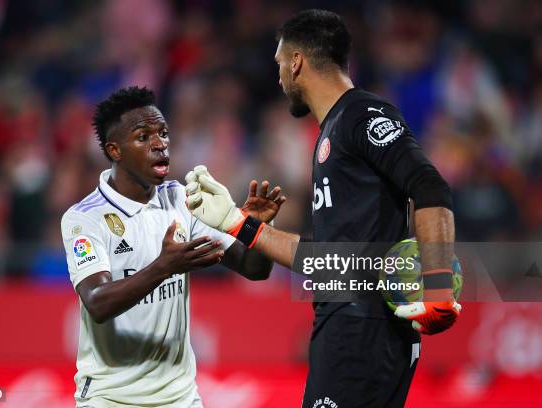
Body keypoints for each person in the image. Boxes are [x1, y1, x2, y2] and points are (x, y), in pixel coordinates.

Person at [184, 9, 461, 408]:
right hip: (348, 327)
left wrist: (437, 287)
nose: (279, 78)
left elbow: (430, 186)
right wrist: (237, 223)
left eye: (280, 64)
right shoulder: (332, 132)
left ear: (296, 62)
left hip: (363, 330)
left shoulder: (362, 115)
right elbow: (330, 260)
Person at [60, 86, 284, 408]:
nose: (160, 144)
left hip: (180, 398)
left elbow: (254, 269)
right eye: (143, 137)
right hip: (110, 398)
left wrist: (256, 227)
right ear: (115, 150)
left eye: (163, 133)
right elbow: (98, 303)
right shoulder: (85, 218)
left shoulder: (180, 199)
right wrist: (164, 266)